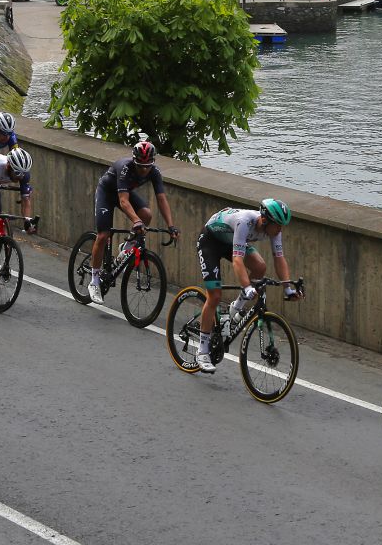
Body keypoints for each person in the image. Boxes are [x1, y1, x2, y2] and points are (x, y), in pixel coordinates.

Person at [193, 198, 299, 373]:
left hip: (231, 241)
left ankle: (234, 310)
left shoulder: (273, 230)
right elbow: (237, 260)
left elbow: (279, 259)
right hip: (210, 241)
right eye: (278, 225)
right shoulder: (245, 221)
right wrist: (247, 287)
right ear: (265, 220)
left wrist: (288, 288)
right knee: (215, 296)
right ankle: (202, 351)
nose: (280, 230)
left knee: (260, 267)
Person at [80, 141, 180, 304]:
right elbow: (124, 201)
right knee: (103, 235)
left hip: (124, 194)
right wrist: (136, 221)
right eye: (140, 166)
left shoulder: (154, 172)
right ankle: (94, 280)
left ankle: (127, 246)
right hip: (107, 193)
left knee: (146, 215)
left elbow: (161, 199)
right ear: (134, 161)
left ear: (152, 162)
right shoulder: (125, 168)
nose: (144, 170)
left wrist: (171, 226)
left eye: (147, 166)